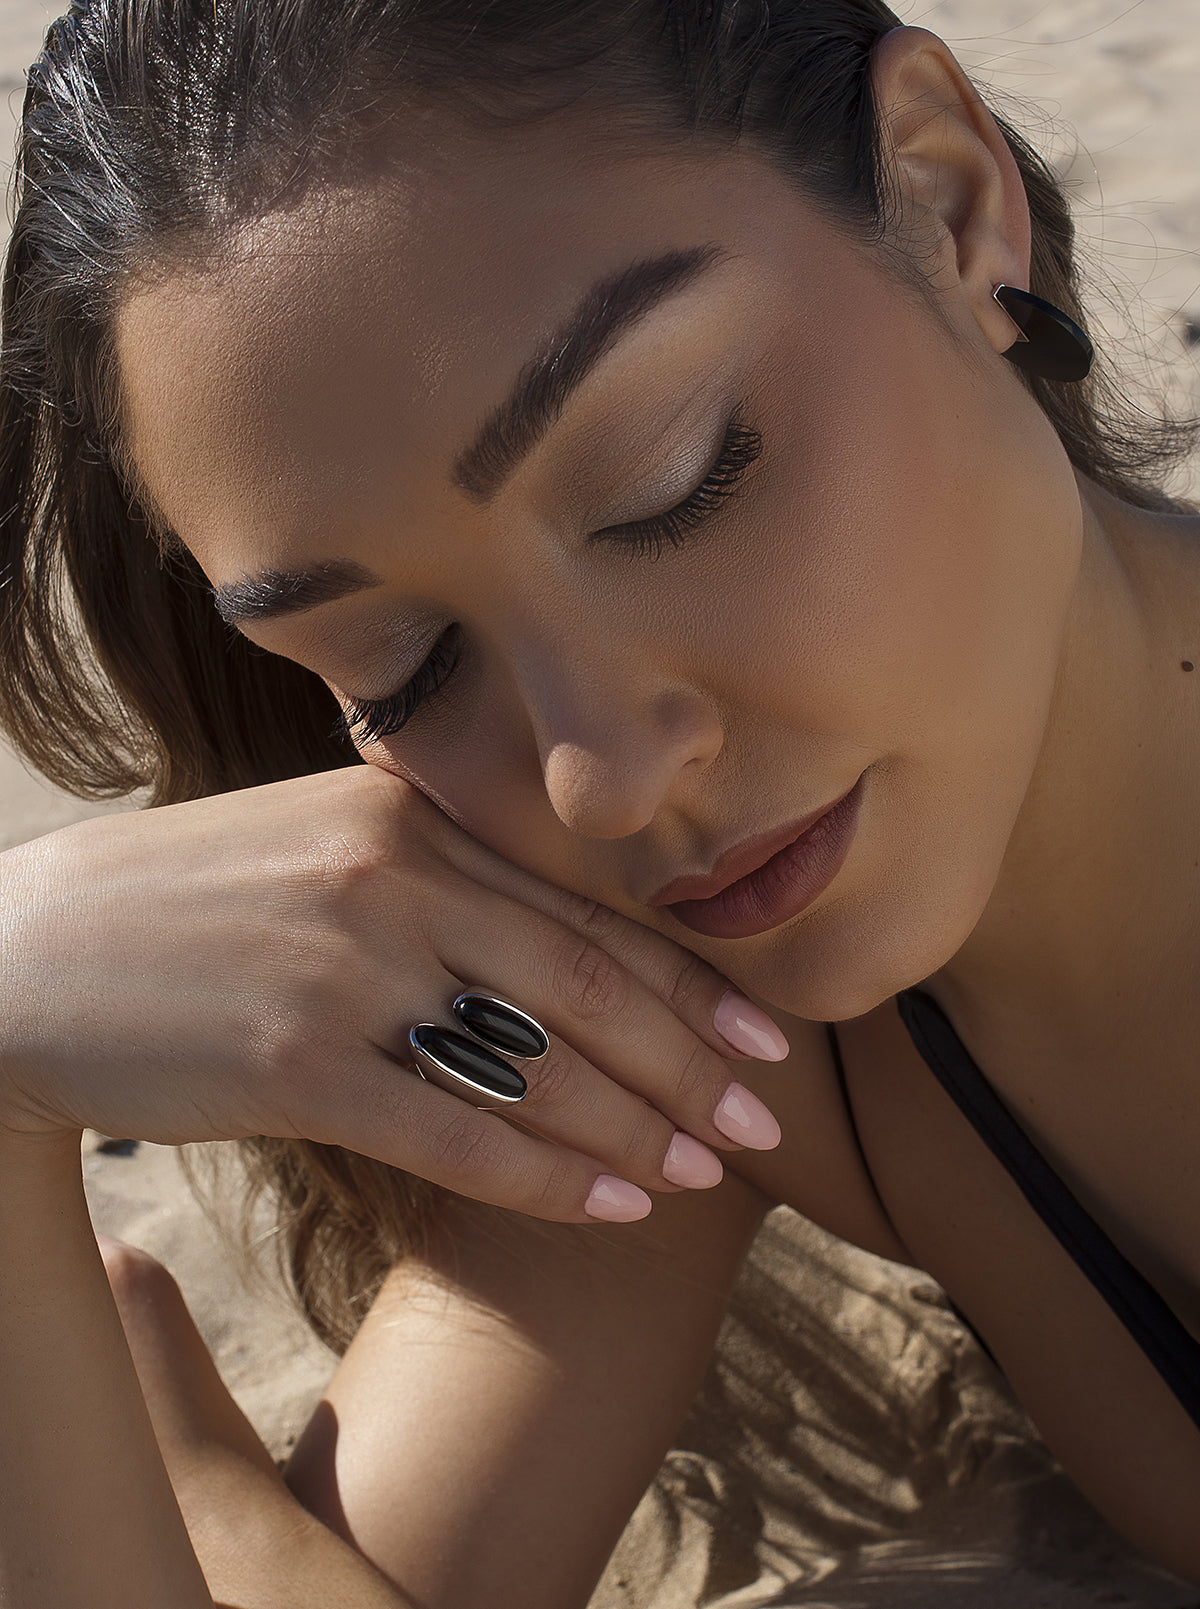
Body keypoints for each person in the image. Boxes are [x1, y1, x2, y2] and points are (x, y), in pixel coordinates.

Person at [0, 0, 1197, 1602]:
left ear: (947, 194)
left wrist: (225, 1503)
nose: (602, 776)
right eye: (404, 668)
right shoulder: (715, 1032)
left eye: (670, 479)